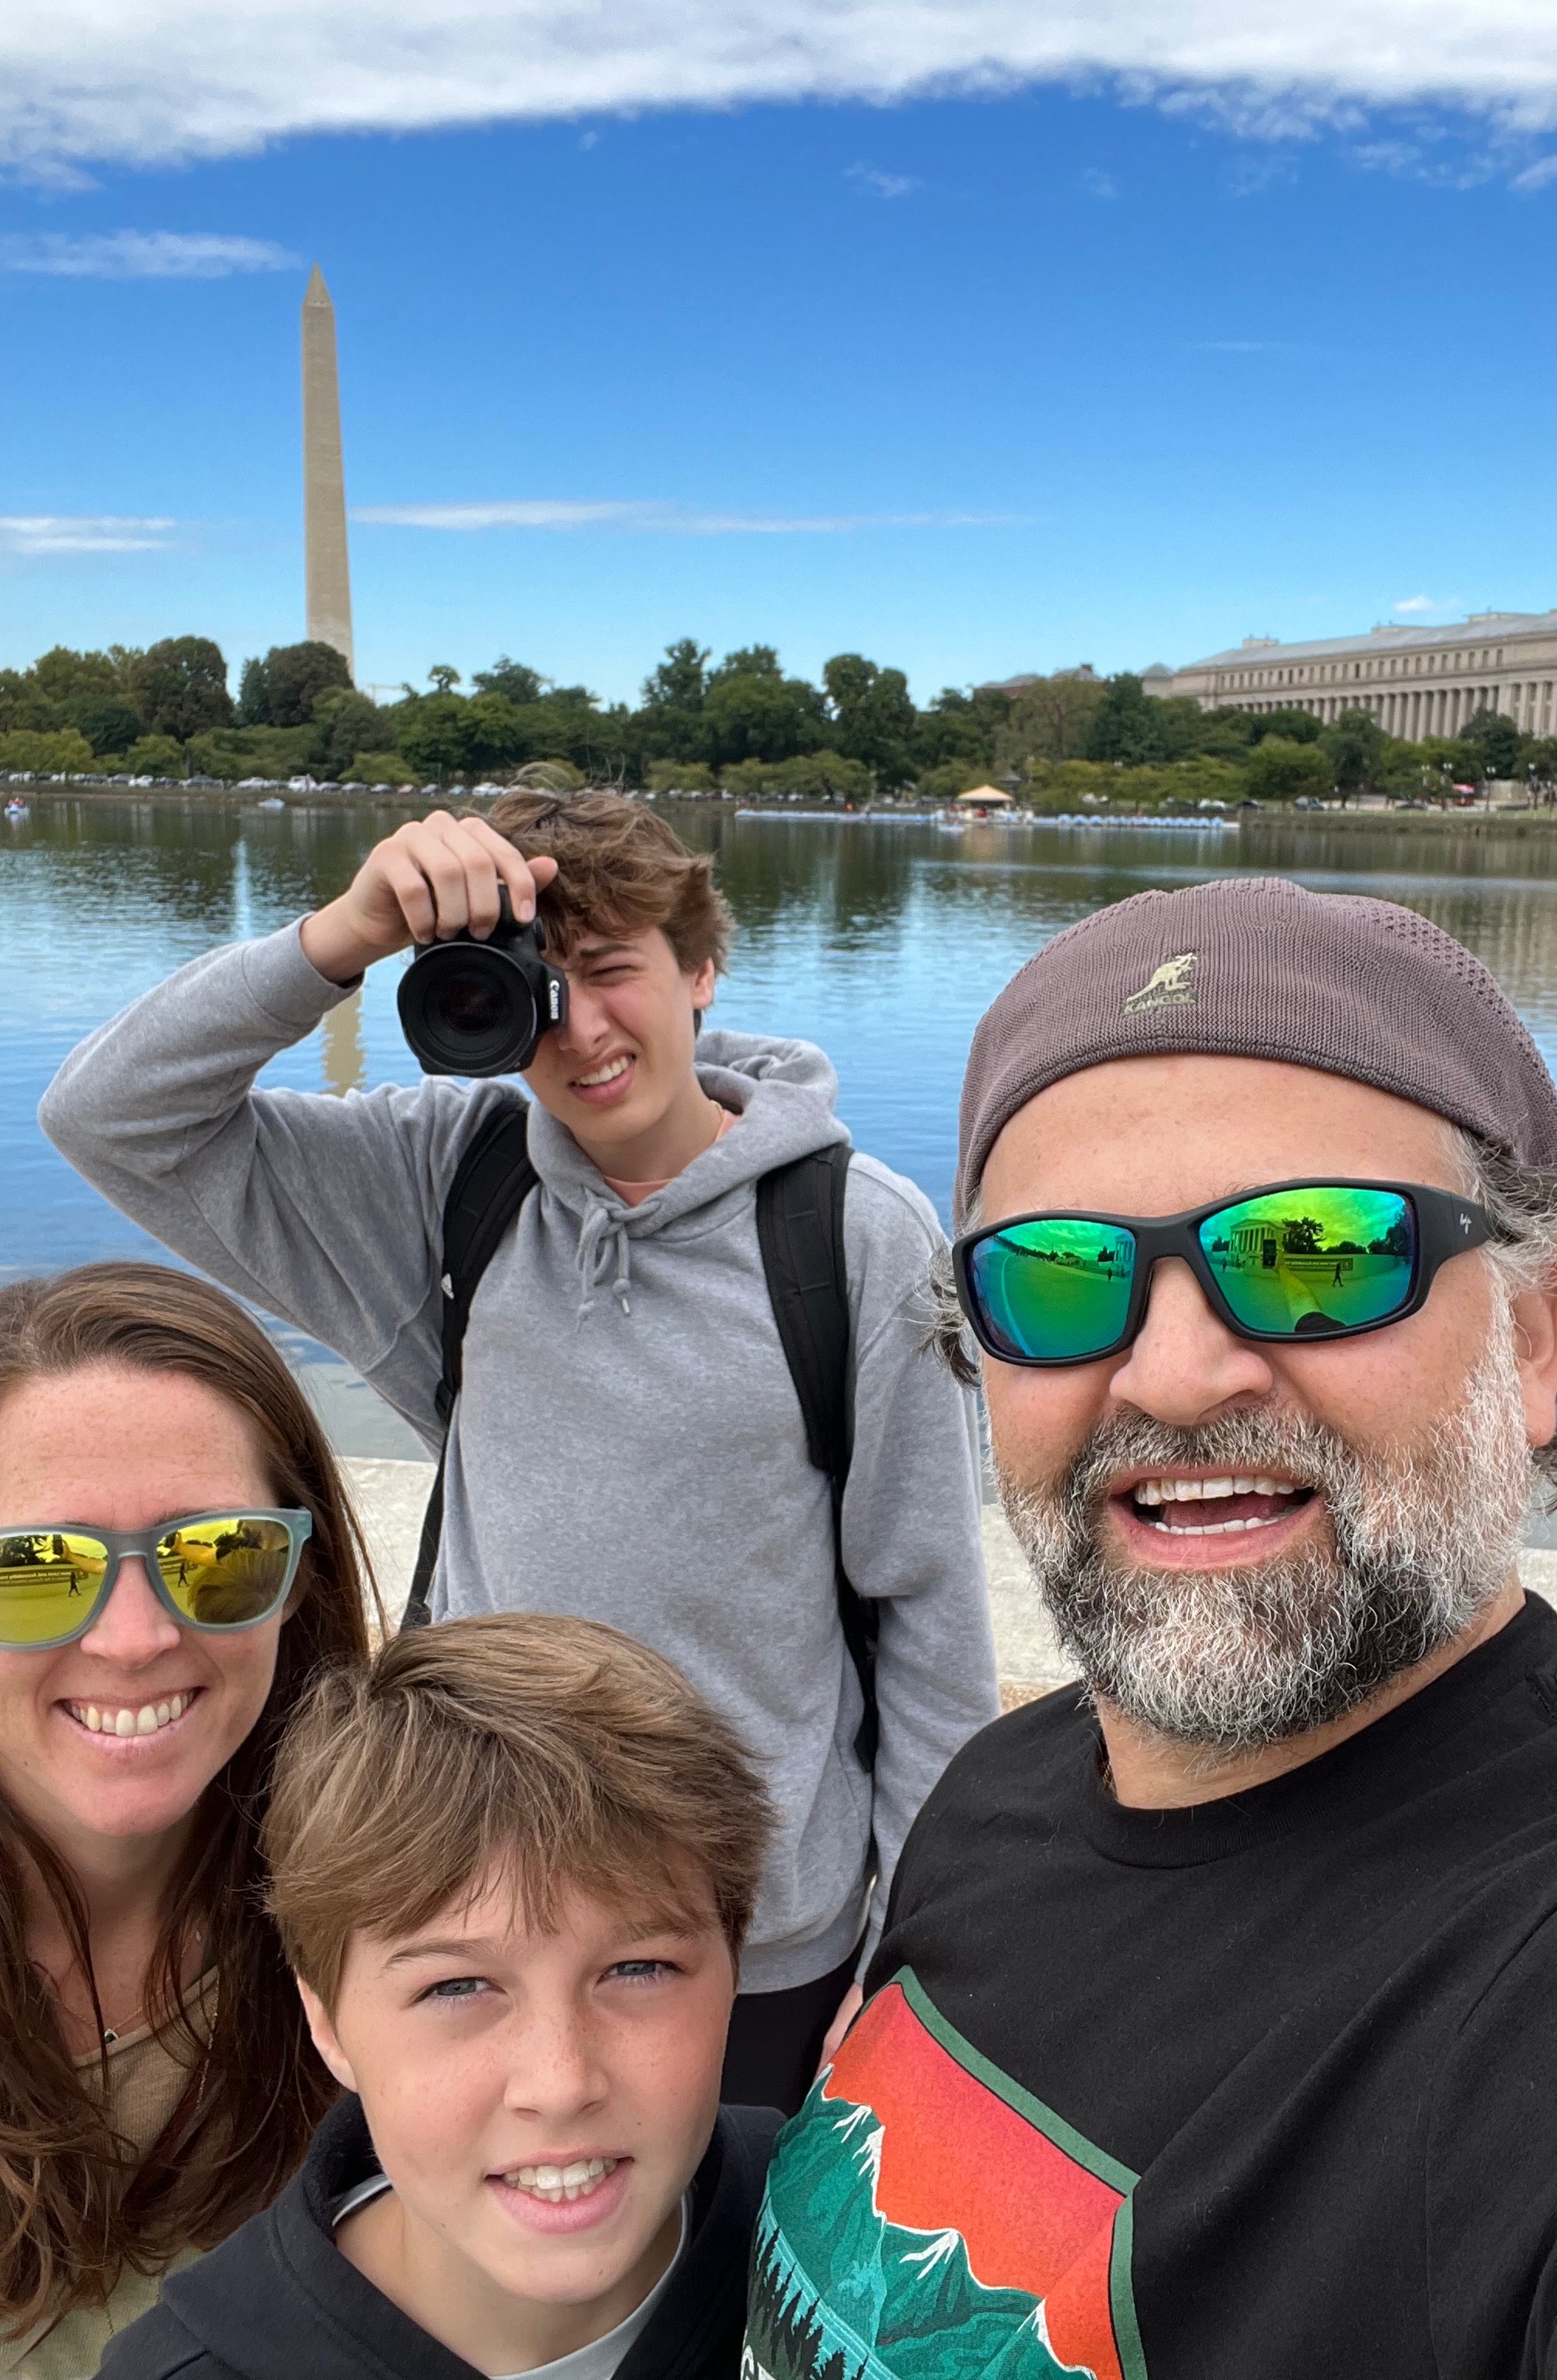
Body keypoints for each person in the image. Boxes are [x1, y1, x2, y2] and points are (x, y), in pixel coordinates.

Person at [745, 877, 1557, 2380]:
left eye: (1314, 1252)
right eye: (1059, 1275)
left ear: (1533, 1330)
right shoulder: (998, 1790)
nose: (1173, 1375)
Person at [40, 793, 998, 2115]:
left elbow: (931, 1613)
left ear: (700, 968)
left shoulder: (853, 1234)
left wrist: (912, 1948)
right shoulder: (450, 1181)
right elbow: (111, 1117)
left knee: (734, 2240)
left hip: (757, 1932)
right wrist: (342, 935)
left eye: (611, 969)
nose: (582, 1028)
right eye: (536, 989)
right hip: (470, 1895)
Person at [102, 1612, 782, 2380]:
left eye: (637, 1969)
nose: (560, 2084)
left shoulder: (854, 2236)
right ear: (326, 2021)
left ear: (735, 1964)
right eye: (457, 1986)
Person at [0, 1262, 372, 2377]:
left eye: (217, 1555)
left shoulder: (386, 1913)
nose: (132, 1639)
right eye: (35, 1567)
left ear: (299, 1577)